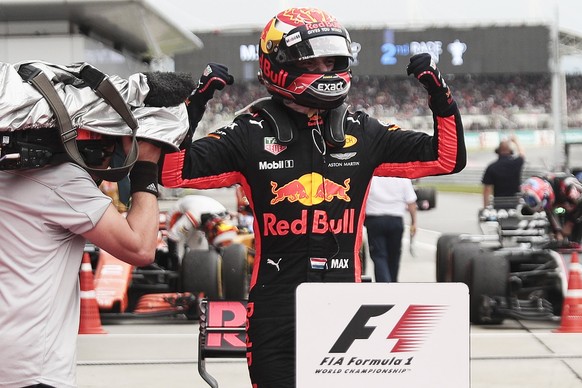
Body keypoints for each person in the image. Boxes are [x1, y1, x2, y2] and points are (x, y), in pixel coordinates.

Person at [160, 7, 466, 387]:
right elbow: (173, 171)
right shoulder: (248, 133)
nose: (330, 67)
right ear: (281, 61)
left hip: (344, 306)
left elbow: (447, 158)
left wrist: (440, 96)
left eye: (335, 58)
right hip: (274, 304)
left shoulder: (362, 131)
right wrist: (194, 105)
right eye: (318, 58)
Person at [0, 62, 195, 388]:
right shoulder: (60, 182)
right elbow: (141, 247)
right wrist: (145, 166)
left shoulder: (12, 174)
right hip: (31, 368)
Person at [364, 176, 417, 282]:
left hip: (375, 219)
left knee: (379, 256)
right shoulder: (402, 177)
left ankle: (384, 283)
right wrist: (414, 222)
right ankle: (392, 282)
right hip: (395, 220)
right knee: (394, 256)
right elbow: (411, 202)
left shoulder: (372, 176)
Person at [521, 173, 582, 243]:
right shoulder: (546, 200)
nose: (544, 208)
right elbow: (549, 212)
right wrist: (558, 232)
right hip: (567, 209)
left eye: (545, 204)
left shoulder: (567, 186)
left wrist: (570, 223)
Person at [482, 134, 526, 208]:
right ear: (510, 151)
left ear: (498, 151)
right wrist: (516, 141)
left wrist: (485, 208)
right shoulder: (516, 163)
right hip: (515, 203)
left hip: (498, 204)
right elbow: (522, 154)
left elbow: (487, 190)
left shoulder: (491, 167)